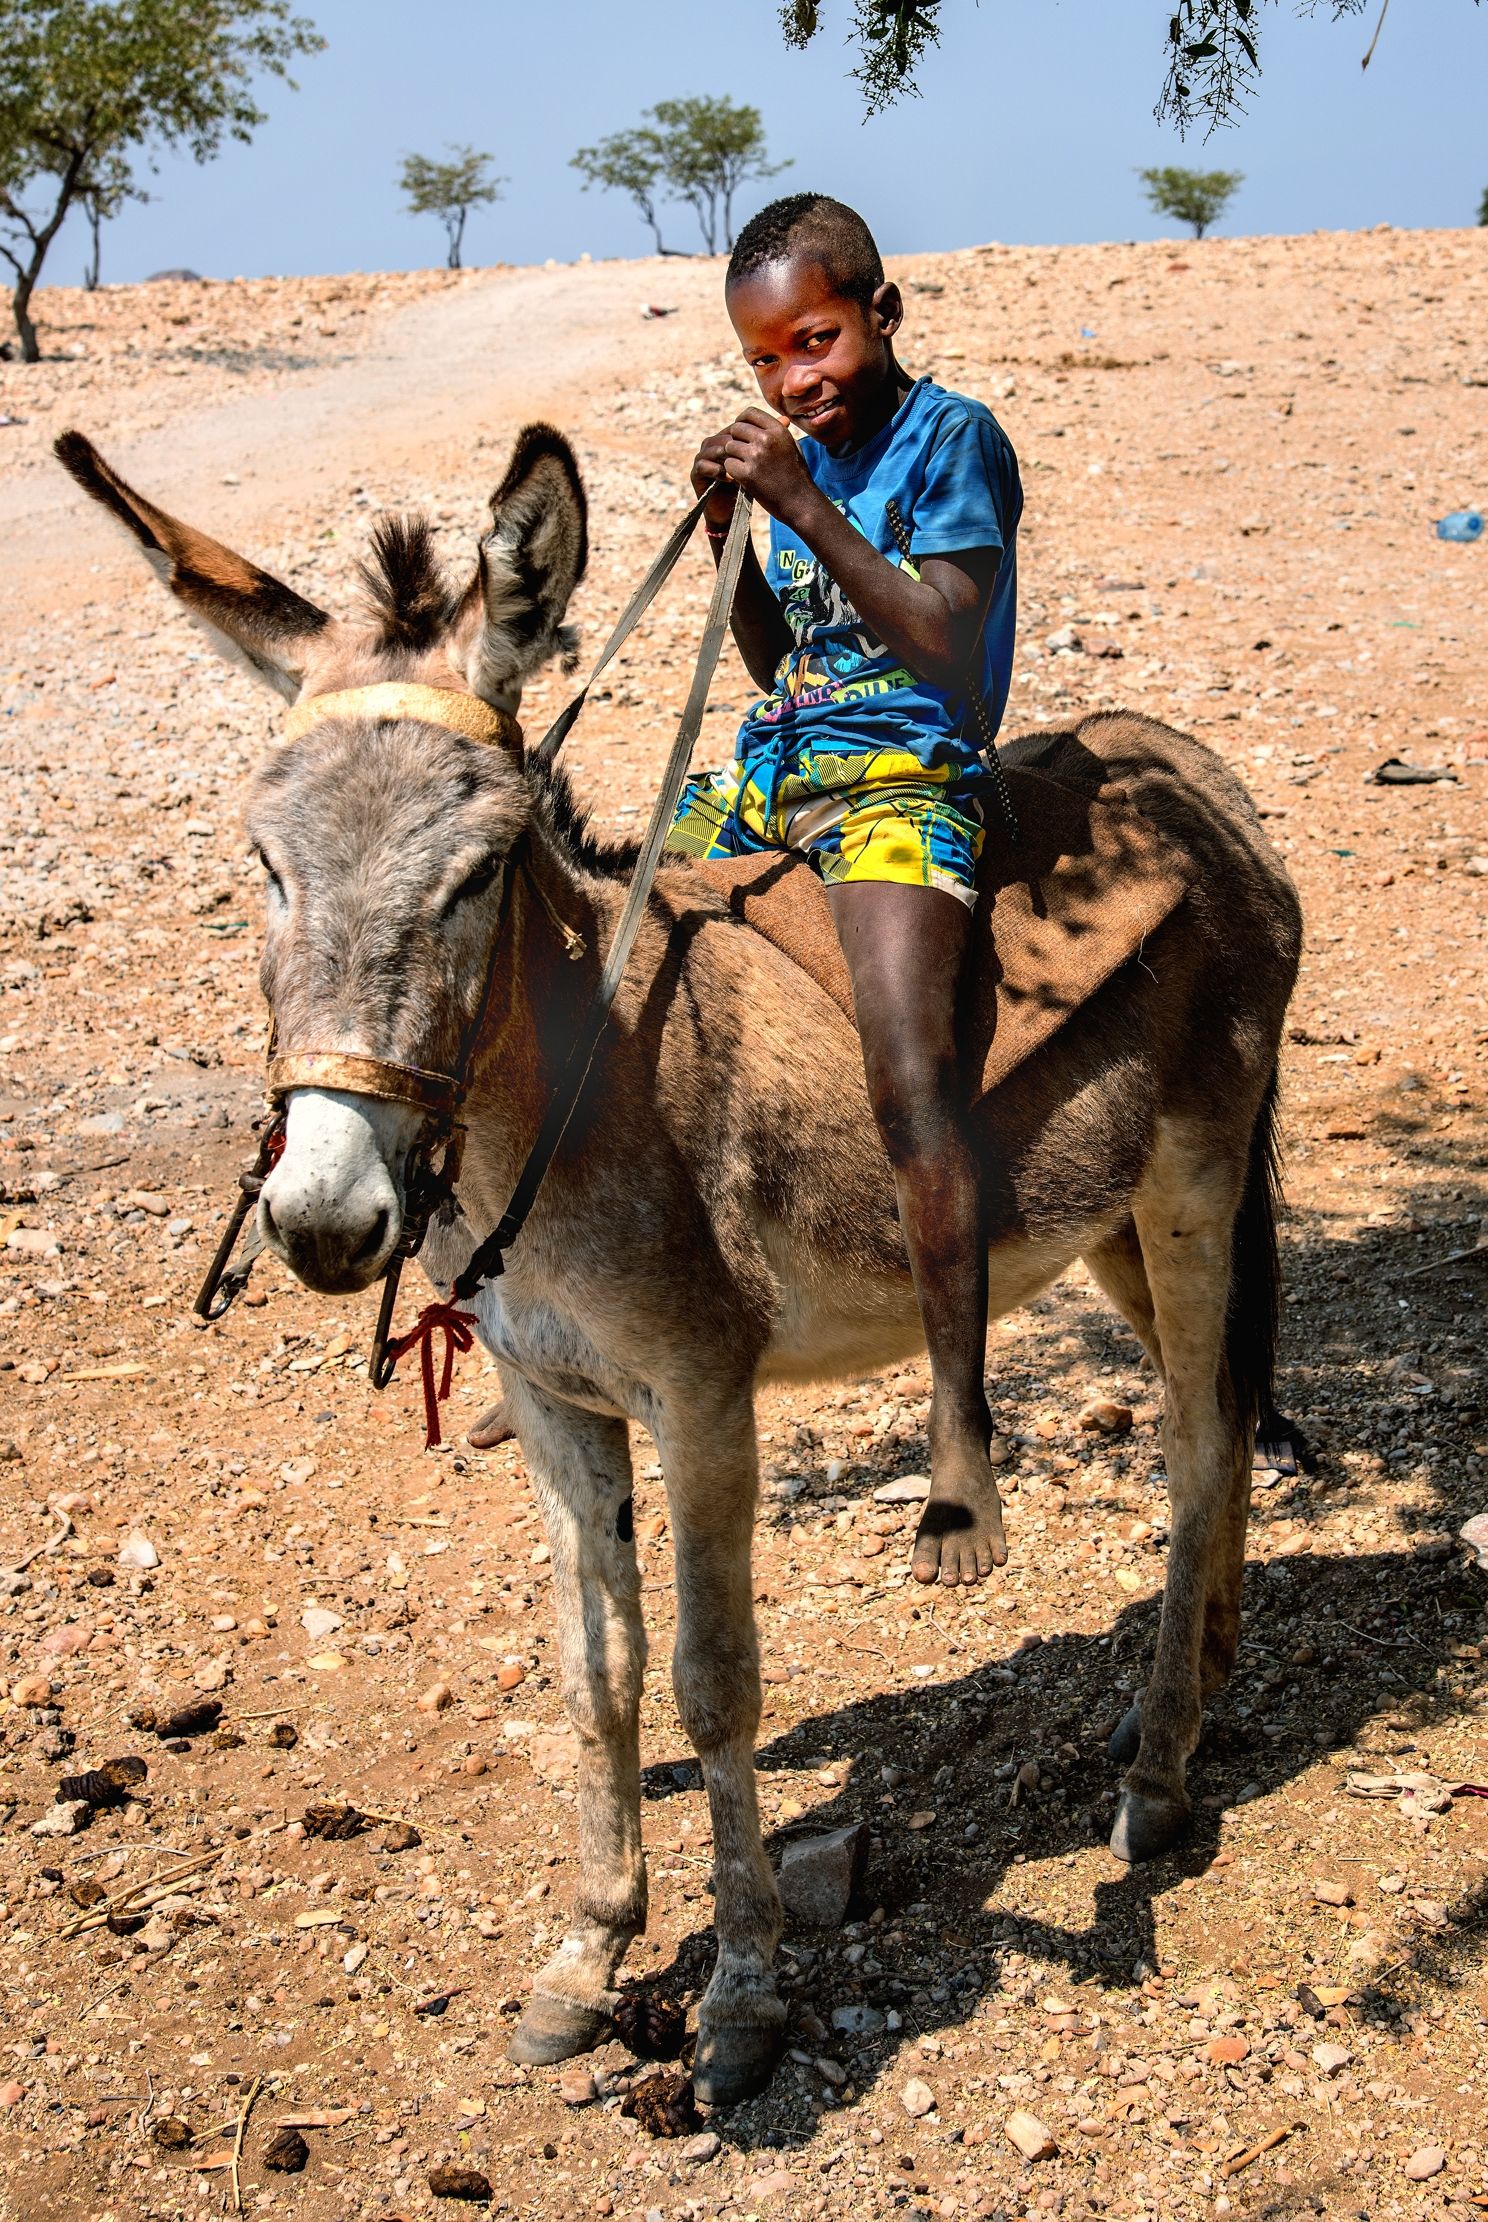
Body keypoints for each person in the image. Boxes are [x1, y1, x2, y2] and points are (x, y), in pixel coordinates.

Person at [666, 191, 1023, 1588]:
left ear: (882, 309)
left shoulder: (953, 441)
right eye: (765, 362)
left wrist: (803, 500)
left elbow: (940, 639)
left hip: (904, 772)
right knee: (611, 938)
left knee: (903, 1055)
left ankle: (959, 1418)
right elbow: (775, 664)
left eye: (814, 340)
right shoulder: (799, 457)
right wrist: (732, 540)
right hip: (779, 763)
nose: (794, 378)